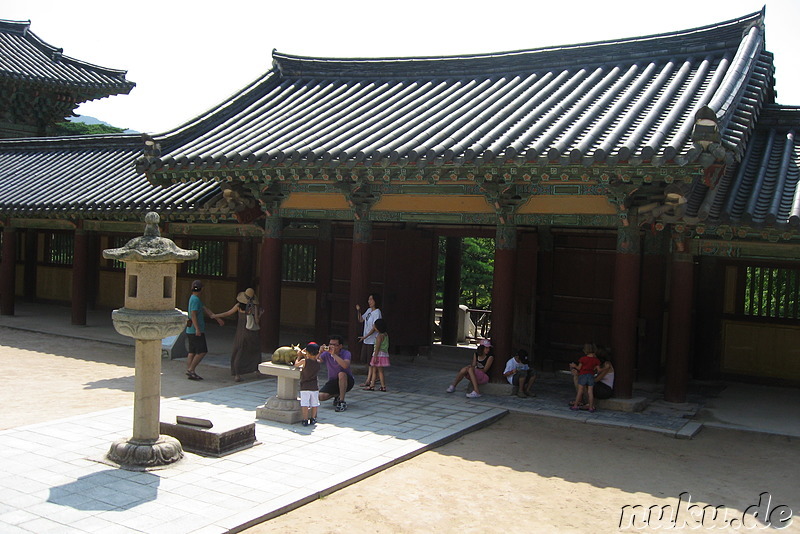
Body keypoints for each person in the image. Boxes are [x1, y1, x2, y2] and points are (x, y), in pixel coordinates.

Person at [212, 287, 262, 382]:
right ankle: (256, 369)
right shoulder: (253, 307)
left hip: (241, 331)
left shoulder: (239, 306)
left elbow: (227, 313)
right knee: (254, 350)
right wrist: (260, 315)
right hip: (251, 332)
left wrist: (216, 315)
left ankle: (237, 374)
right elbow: (256, 321)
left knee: (239, 350)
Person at [185, 280, 224, 380]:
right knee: (202, 351)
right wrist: (197, 329)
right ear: (201, 289)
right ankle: (191, 369)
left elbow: (206, 309)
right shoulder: (195, 300)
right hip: (196, 330)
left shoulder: (194, 298)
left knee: (192, 351)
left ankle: (189, 370)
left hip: (190, 330)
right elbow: (193, 314)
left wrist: (216, 317)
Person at [318, 335, 355, 412]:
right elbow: (315, 361)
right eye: (330, 344)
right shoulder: (326, 354)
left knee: (341, 374)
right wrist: (319, 352)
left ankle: (341, 401)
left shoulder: (346, 353)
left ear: (340, 346)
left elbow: (345, 365)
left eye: (335, 345)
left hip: (347, 380)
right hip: (333, 381)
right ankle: (337, 395)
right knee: (321, 396)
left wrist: (333, 354)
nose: (332, 346)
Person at [294, 342, 321, 427]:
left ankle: (305, 419)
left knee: (305, 404)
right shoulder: (318, 362)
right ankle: (313, 418)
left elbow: (296, 364)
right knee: (314, 404)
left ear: (307, 352)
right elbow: (313, 359)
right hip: (314, 386)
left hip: (305, 386)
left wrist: (299, 356)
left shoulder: (304, 361)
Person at [570, 343, 601, 413]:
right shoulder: (596, 360)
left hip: (583, 375)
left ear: (585, 350)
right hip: (591, 376)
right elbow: (599, 370)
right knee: (590, 392)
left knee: (580, 391)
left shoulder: (583, 359)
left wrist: (574, 365)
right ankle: (591, 407)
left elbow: (579, 368)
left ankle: (575, 405)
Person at [356, 293, 382, 373]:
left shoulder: (377, 312)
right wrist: (359, 310)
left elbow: (375, 327)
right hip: (366, 339)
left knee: (371, 360)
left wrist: (365, 336)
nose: (369, 301)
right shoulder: (369, 310)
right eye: (369, 299)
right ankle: (371, 377)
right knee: (364, 359)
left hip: (372, 339)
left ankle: (374, 377)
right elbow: (361, 319)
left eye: (371, 299)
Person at [363, 318, 390, 391]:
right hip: (383, 354)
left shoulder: (379, 337)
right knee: (380, 371)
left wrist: (375, 356)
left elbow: (377, 347)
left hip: (377, 355)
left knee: (375, 371)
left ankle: (380, 386)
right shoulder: (385, 335)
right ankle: (377, 385)